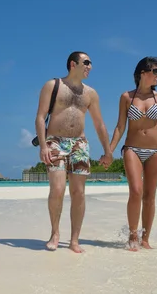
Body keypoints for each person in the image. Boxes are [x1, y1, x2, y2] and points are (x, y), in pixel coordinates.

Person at [34, 51, 113, 253]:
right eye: (86, 62)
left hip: (80, 143)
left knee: (78, 193)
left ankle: (74, 240)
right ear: (72, 64)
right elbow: (40, 117)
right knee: (58, 189)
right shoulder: (53, 86)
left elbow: (99, 124)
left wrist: (108, 151)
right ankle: (55, 233)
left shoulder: (91, 93)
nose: (90, 67)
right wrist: (43, 146)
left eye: (91, 63)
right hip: (55, 142)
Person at [108, 56, 157, 251]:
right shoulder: (126, 97)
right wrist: (109, 151)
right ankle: (132, 235)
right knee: (136, 191)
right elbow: (120, 127)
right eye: (155, 71)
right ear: (142, 73)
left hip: (156, 150)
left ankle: (145, 238)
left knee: (149, 196)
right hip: (132, 148)